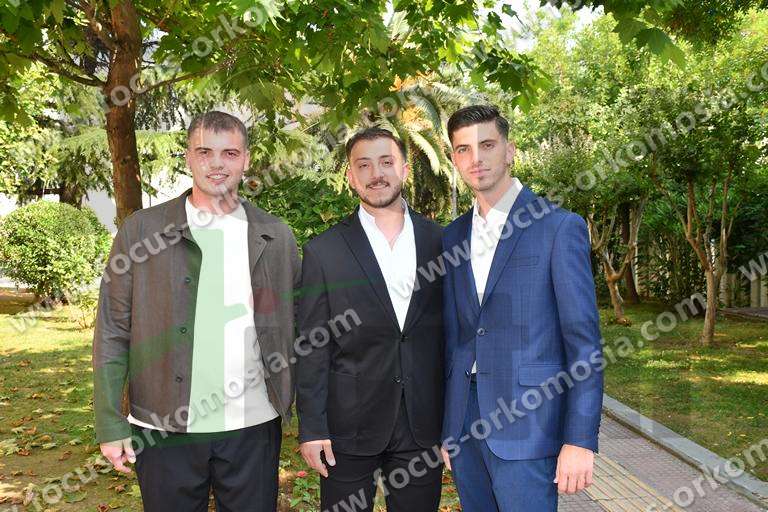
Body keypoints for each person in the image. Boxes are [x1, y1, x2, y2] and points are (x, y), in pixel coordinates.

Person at [92, 110, 300, 511]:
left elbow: (293, 326)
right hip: (162, 426)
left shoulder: (275, 236)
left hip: (253, 425)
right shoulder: (141, 231)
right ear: (187, 156)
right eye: (204, 152)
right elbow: (113, 330)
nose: (216, 164)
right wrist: (109, 421)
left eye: (229, 153)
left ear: (246, 159)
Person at [440, 105, 604, 511]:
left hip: (530, 424)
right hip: (465, 425)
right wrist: (448, 427)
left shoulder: (558, 227)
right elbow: (456, 338)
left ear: (510, 150)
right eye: (463, 149)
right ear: (454, 159)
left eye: (487, 145)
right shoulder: (452, 237)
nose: (476, 159)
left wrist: (580, 440)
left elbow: (584, 343)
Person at [296, 127, 445, 511]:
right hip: (347, 428)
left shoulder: (442, 241)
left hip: (423, 426)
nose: (376, 174)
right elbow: (312, 346)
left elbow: (454, 335)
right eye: (363, 165)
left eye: (386, 162)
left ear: (405, 169)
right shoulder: (324, 251)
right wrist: (312, 428)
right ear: (350, 176)